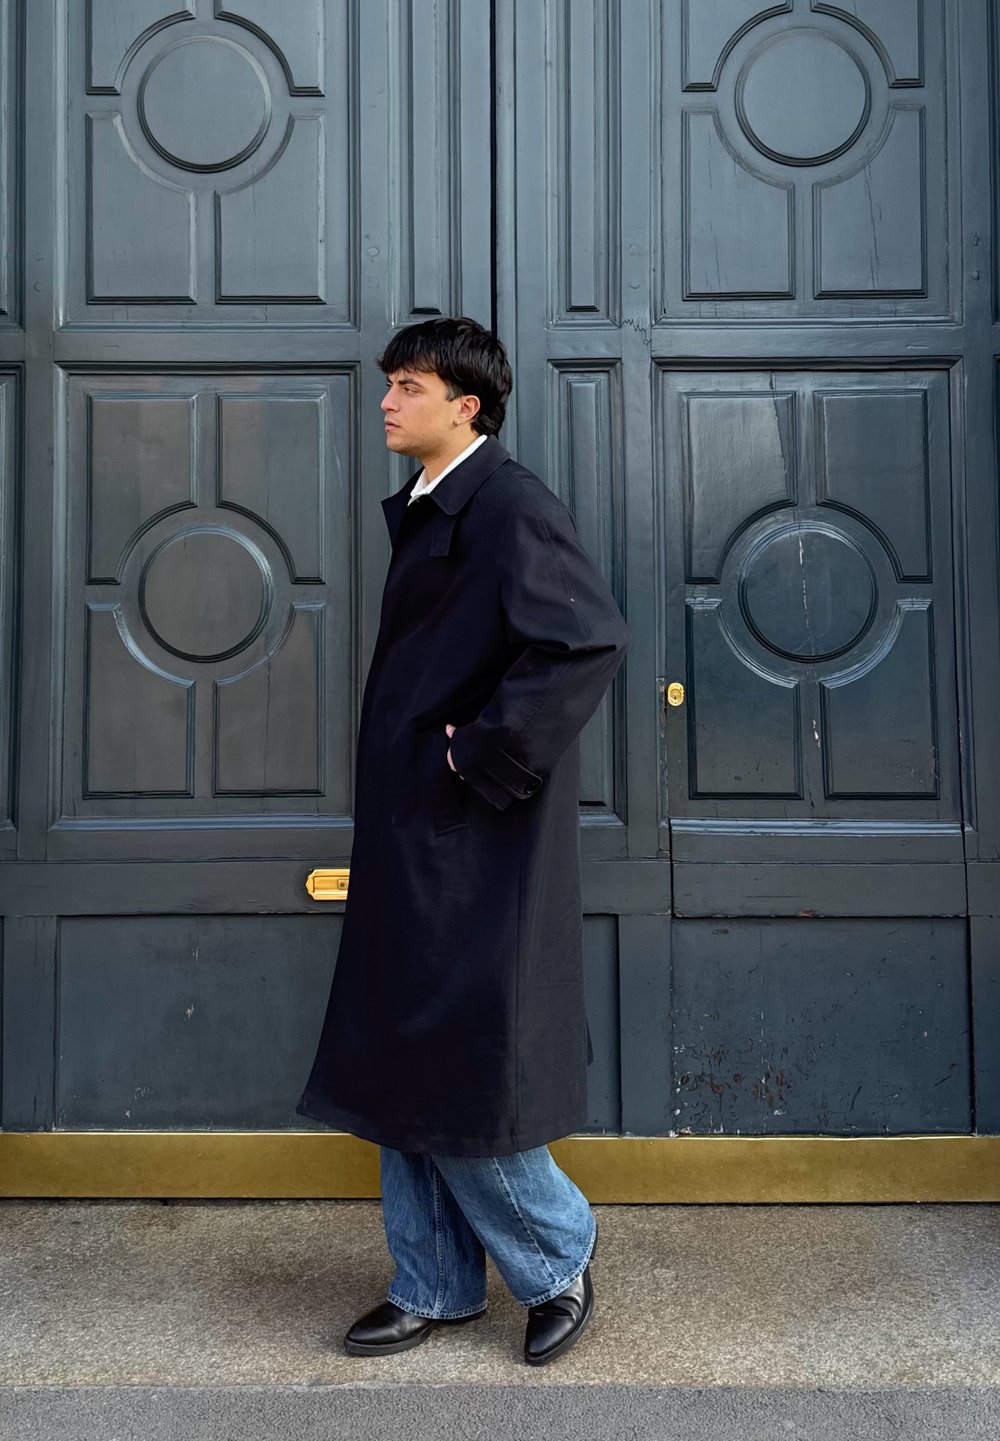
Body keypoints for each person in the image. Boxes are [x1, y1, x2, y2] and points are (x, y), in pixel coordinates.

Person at [295, 316, 629, 1366]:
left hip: (470, 832)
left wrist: (471, 756)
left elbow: (582, 639)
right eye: (389, 384)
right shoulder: (443, 502)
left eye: (407, 385)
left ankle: (554, 1254)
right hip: (412, 827)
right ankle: (433, 1281)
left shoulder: (509, 505)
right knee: (405, 1051)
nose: (387, 401)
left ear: (465, 405)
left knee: (456, 1057)